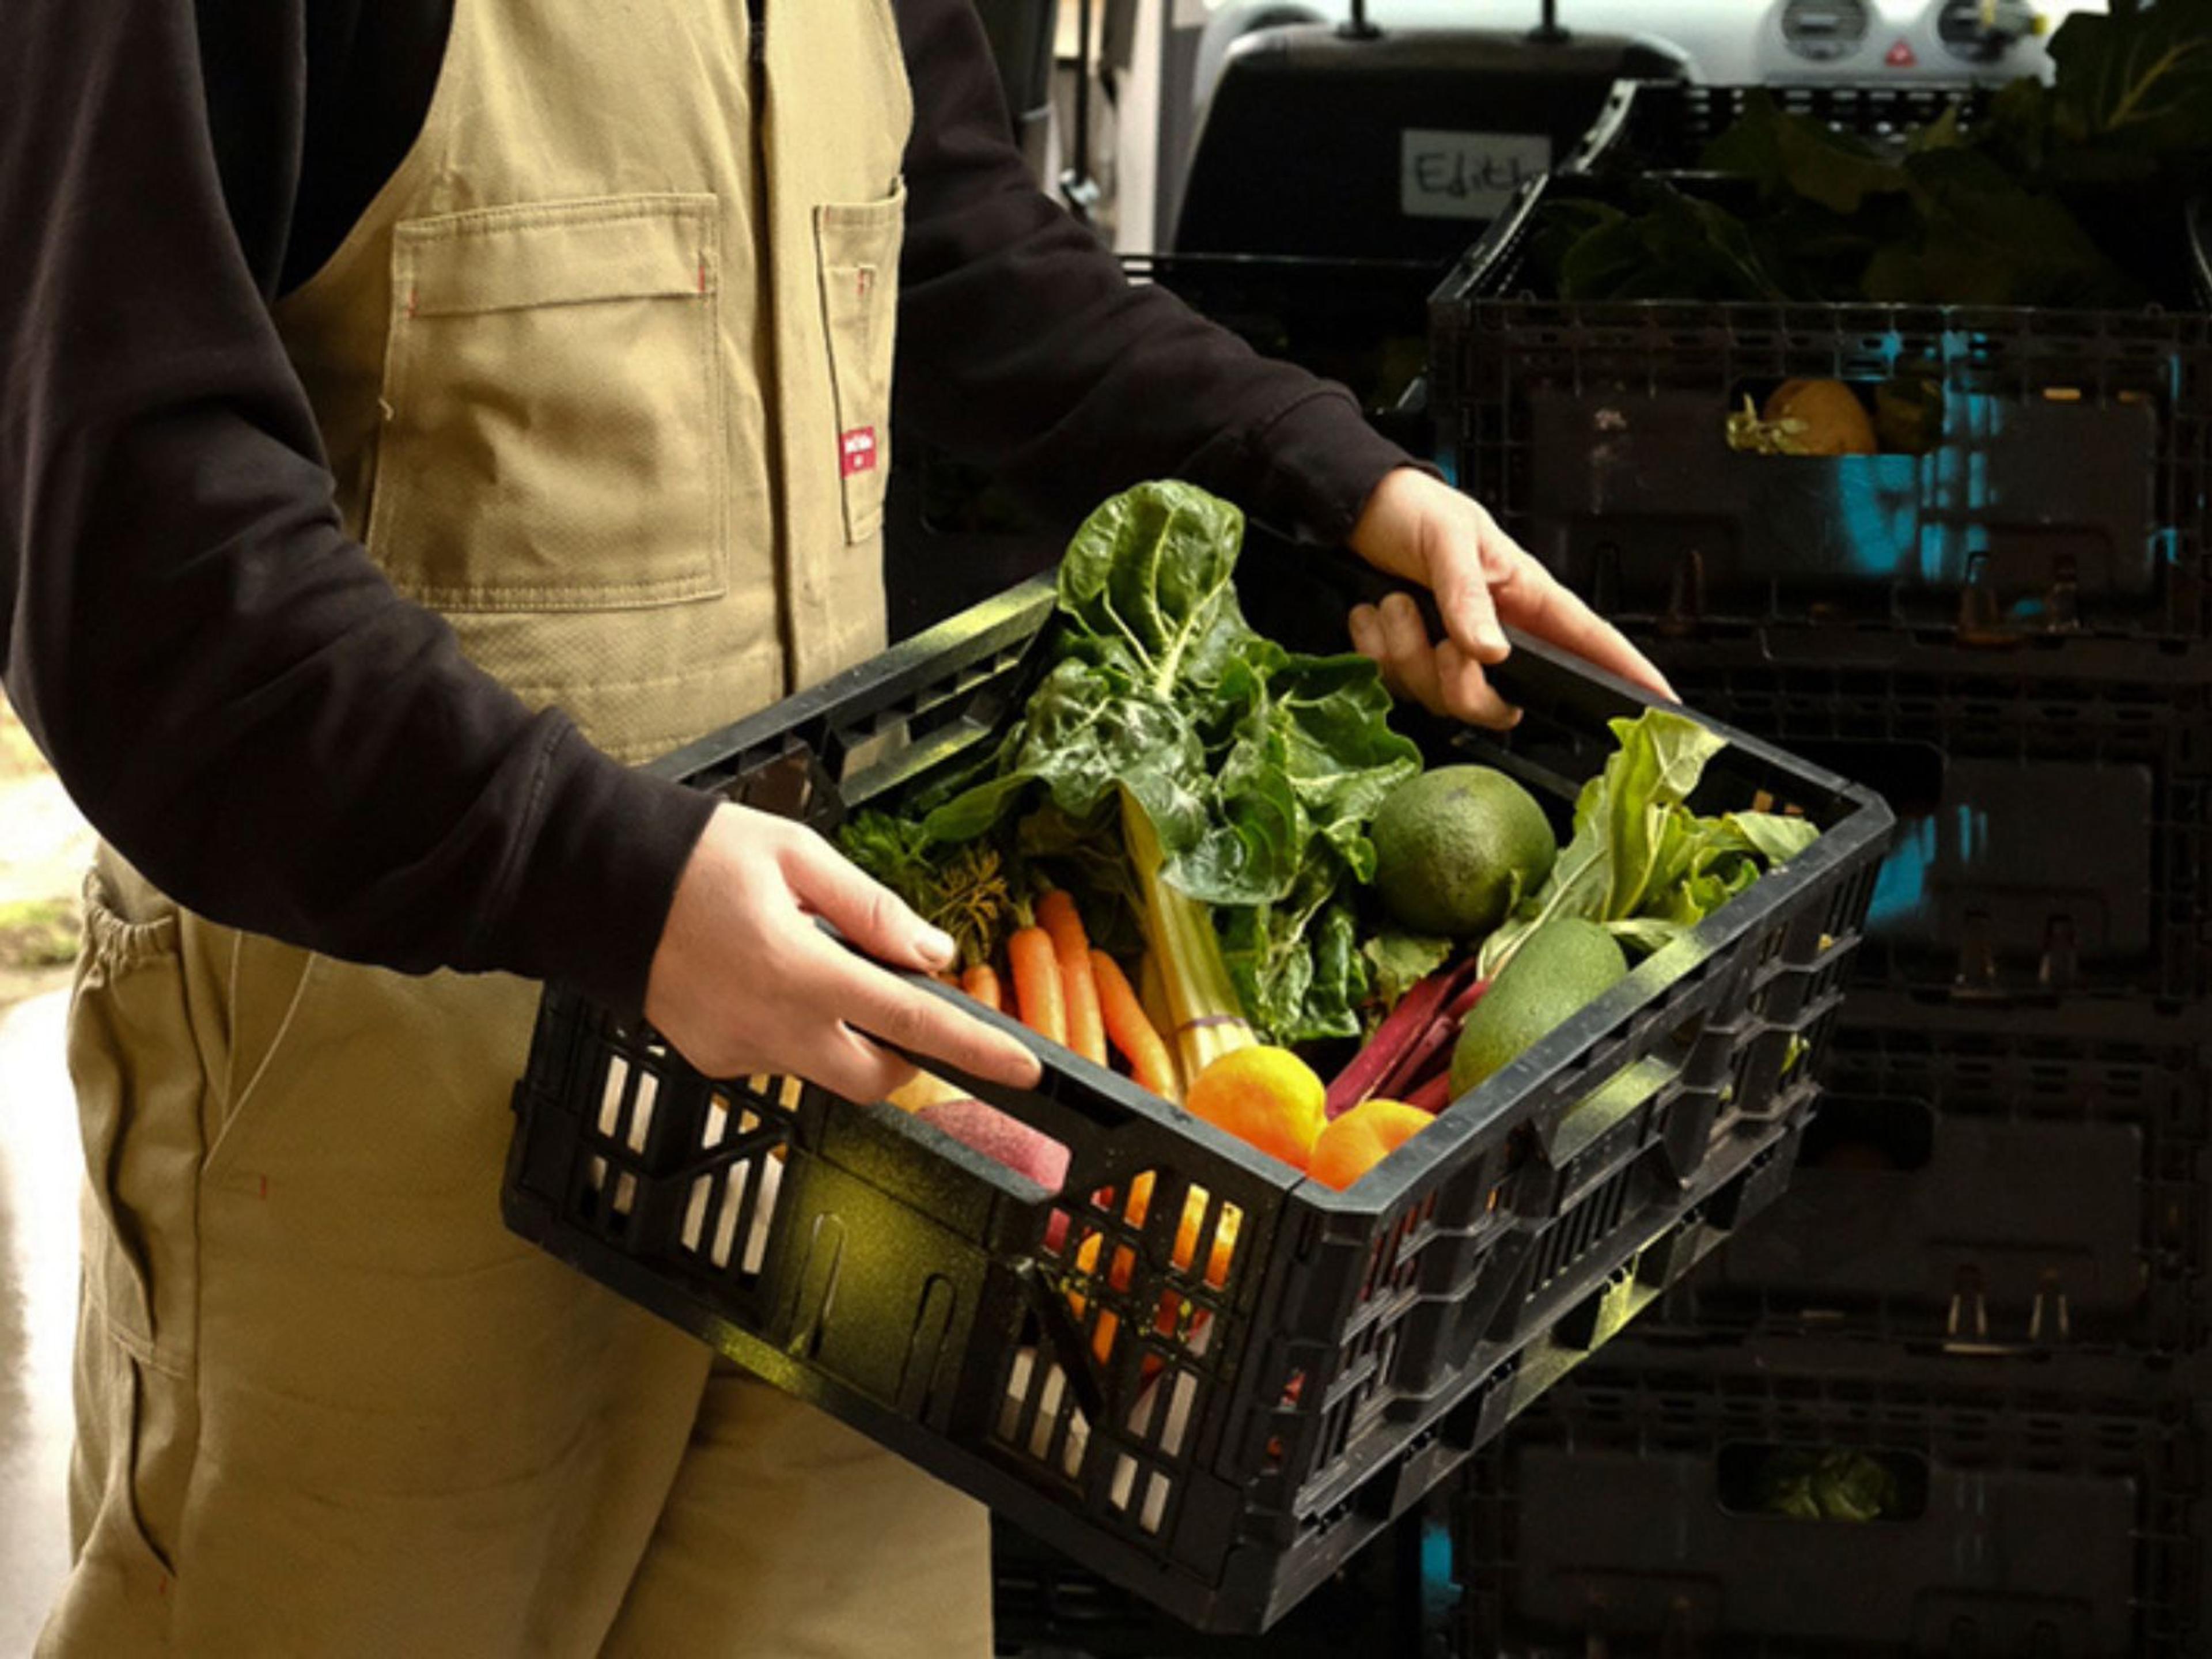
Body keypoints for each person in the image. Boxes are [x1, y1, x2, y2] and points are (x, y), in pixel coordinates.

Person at [1, 1, 1669, 1653]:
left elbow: (945, 231)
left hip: (845, 1094)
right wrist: (619, 885)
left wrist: (1339, 485)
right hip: (387, 1098)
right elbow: (137, 554)